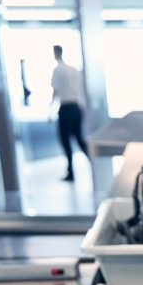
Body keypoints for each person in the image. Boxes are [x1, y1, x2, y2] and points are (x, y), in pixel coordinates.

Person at [50, 45, 89, 182]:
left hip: (66, 108)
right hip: (76, 108)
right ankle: (94, 164)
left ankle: (71, 172)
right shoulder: (73, 70)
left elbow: (55, 91)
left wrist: (50, 110)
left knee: (65, 141)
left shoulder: (58, 70)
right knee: (79, 139)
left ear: (56, 53)